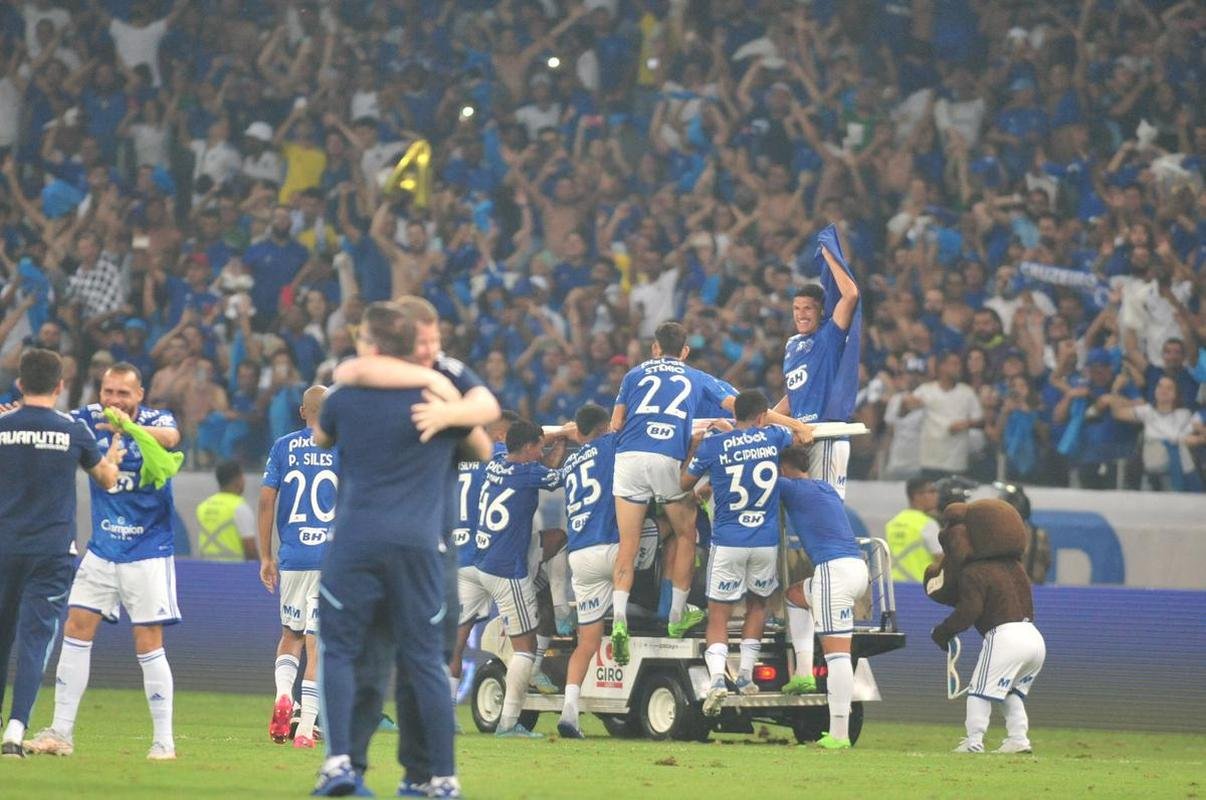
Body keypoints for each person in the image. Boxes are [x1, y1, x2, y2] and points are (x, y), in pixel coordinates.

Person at [310, 302, 490, 798]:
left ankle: (341, 763)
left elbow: (323, 434)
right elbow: (483, 446)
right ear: (413, 343)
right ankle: (442, 778)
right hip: (423, 546)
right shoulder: (437, 396)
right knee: (427, 662)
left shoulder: (344, 397)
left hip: (355, 542)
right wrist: (450, 415)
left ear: (370, 344)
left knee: (344, 655)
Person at [26, 363, 183, 760]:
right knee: (76, 628)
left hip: (148, 551)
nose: (114, 400)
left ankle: (163, 741)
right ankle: (61, 733)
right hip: (101, 549)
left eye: (123, 394)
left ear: (139, 396)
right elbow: (53, 422)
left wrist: (129, 429)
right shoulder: (86, 420)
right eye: (108, 392)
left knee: (147, 641)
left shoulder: (155, 419)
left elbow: (171, 438)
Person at [0, 350, 122, 757]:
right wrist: (115, 457)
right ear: (60, 385)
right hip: (52, 552)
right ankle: (15, 732)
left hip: (4, 546)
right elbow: (106, 480)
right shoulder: (71, 430)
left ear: (20, 383)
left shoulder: (2, 426)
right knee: (35, 641)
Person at [610, 320, 745, 661]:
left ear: (654, 348)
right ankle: (675, 617)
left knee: (628, 543)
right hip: (665, 457)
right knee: (687, 534)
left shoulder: (633, 375)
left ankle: (619, 619)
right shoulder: (697, 377)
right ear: (684, 351)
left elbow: (616, 423)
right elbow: (736, 404)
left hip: (628, 457)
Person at [681, 390, 802, 716]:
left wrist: (697, 448)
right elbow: (793, 432)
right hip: (764, 542)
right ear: (762, 416)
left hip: (728, 540)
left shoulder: (714, 445)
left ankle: (719, 679)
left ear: (737, 415)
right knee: (758, 605)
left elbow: (685, 483)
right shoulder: (774, 436)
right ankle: (747, 676)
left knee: (718, 613)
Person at [473, 419, 569, 739]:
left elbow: (542, 462)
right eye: (539, 447)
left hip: (485, 562)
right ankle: (508, 723)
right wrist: (576, 445)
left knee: (541, 579)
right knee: (524, 649)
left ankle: (528, 622)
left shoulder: (497, 461)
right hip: (507, 571)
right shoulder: (529, 473)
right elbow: (560, 477)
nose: (542, 452)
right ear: (528, 448)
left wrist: (559, 437)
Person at [930, 499, 1046, 754]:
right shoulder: (1017, 568)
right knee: (1010, 692)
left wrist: (944, 631)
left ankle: (974, 740)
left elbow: (970, 610)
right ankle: (1018, 738)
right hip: (1034, 637)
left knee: (978, 691)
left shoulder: (976, 571)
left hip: (1005, 636)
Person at [258, 385, 337, 749]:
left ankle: (282, 697)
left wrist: (266, 556)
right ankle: (305, 729)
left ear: (303, 412)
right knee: (318, 644)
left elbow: (265, 503)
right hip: (331, 561)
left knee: (291, 636)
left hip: (293, 558)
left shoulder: (283, 446)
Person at [778, 445, 869, 750]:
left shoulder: (789, 487)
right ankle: (803, 673)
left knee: (838, 655)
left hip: (834, 573)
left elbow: (754, 475)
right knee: (794, 596)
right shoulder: (825, 487)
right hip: (856, 568)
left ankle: (839, 734)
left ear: (783, 468)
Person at [773, 233, 861, 497]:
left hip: (827, 435)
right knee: (803, 510)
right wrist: (763, 417)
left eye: (808, 308)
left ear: (821, 311)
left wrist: (830, 257)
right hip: (799, 438)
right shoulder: (791, 345)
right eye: (796, 308)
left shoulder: (829, 335)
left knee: (826, 507)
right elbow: (794, 395)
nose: (801, 314)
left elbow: (851, 295)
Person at [555, 403, 619, 739]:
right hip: (611, 545)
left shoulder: (570, 463)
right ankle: (631, 620)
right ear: (605, 425)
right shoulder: (610, 443)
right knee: (662, 530)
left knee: (587, 642)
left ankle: (569, 710)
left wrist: (568, 435)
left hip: (579, 554)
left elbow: (569, 442)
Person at [904, 351, 985, 479]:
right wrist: (906, 403)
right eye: (954, 364)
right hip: (930, 461)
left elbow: (980, 421)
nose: (958, 368)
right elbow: (904, 411)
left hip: (956, 462)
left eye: (959, 364)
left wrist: (967, 424)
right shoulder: (926, 390)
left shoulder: (967, 392)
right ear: (942, 366)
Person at [194, 460, 257, 561]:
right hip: (233, 571)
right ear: (238, 480)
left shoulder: (203, 507)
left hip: (205, 569)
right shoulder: (240, 508)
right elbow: (250, 550)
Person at [883, 476, 942, 581]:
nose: (936, 496)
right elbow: (940, 560)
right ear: (917, 496)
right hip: (920, 587)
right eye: (932, 492)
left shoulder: (893, 523)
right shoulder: (928, 524)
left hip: (895, 586)